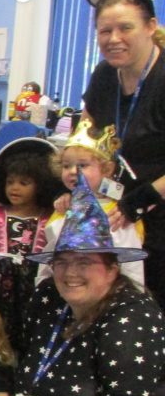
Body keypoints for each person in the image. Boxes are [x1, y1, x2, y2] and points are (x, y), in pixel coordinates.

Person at [3, 175, 165, 396]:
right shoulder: (48, 298)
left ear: (111, 268)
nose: (70, 273)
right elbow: (24, 356)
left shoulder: (133, 312)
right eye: (62, 262)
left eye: (84, 262)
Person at [81, 0, 165, 307]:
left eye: (125, 28)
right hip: (120, 212)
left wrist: (144, 198)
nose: (114, 38)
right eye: (105, 31)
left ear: (150, 27)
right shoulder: (104, 75)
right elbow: (87, 137)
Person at [0, 138, 59, 354]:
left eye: (24, 183)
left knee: (27, 323)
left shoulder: (48, 216)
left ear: (40, 185)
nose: (14, 188)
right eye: (10, 182)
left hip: (33, 278)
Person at [36, 120, 144, 286]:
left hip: (108, 294)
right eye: (66, 166)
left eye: (83, 165)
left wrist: (132, 297)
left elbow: (132, 268)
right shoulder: (63, 208)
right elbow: (49, 256)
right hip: (64, 290)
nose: (73, 171)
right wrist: (41, 288)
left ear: (107, 169)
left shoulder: (117, 215)